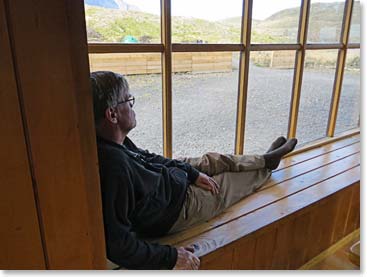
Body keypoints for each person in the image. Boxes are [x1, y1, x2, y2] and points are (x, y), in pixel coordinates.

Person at [91, 71, 297, 270]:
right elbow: (119, 245)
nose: (133, 107)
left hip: (171, 179)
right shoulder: (114, 166)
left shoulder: (114, 142)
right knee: (228, 182)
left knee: (211, 160)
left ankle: (264, 159)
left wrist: (192, 173)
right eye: (129, 101)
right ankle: (265, 168)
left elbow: (149, 158)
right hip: (181, 206)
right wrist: (171, 257)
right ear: (112, 114)